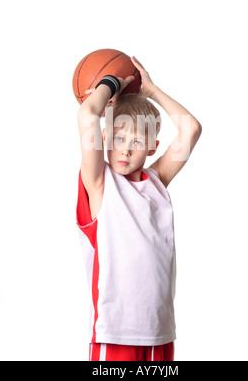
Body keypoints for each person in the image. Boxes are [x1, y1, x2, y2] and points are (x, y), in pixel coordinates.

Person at [76, 56, 202, 361]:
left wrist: (152, 92)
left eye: (137, 140)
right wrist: (112, 83)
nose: (126, 149)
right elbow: (87, 113)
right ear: (105, 138)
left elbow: (191, 130)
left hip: (160, 333)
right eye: (118, 138)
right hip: (115, 333)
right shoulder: (100, 182)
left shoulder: (157, 182)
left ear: (152, 147)